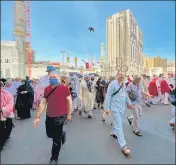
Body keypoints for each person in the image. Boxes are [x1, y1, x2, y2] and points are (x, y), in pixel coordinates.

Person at [33, 70, 72, 164]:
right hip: (49, 115)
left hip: (60, 116)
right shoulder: (46, 89)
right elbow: (43, 103)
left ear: (59, 78)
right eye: (50, 77)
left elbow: (69, 101)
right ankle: (62, 133)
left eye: (54, 77)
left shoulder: (64, 88)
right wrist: (37, 117)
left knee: (56, 139)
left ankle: (54, 157)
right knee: (49, 134)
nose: (52, 79)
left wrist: (69, 113)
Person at [105, 71, 134, 156]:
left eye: (123, 75)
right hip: (114, 107)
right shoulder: (112, 84)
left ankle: (113, 131)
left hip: (121, 107)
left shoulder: (123, 84)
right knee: (119, 124)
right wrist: (107, 108)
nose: (122, 76)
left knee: (118, 121)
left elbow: (125, 94)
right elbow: (108, 95)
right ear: (116, 75)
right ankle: (123, 145)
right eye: (120, 75)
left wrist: (129, 103)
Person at [0, 81, 15, 151]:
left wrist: (4, 109)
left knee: (3, 130)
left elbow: (10, 103)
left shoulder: (6, 94)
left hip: (4, 115)